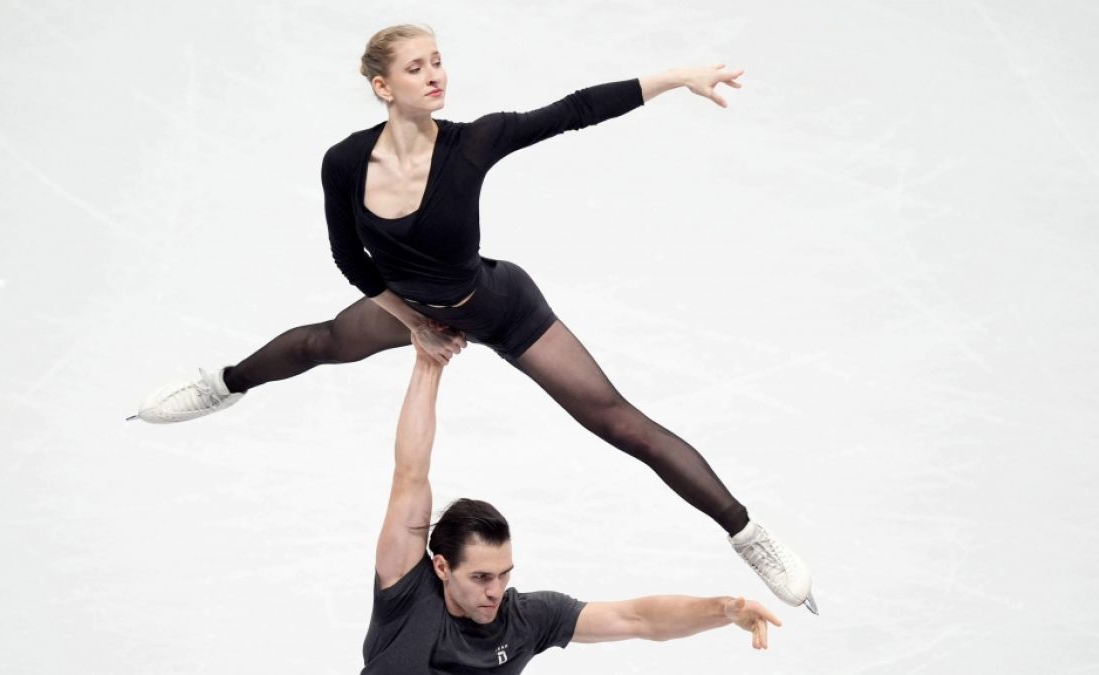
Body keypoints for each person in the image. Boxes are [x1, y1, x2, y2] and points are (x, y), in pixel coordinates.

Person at [131, 24, 816, 612]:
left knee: (615, 420)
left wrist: (675, 77)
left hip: (498, 305)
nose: (435, 75)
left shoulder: (472, 143)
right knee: (322, 341)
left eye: (437, 61)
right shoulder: (344, 162)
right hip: (409, 305)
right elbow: (350, 259)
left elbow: (574, 110)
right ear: (382, 85)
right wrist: (413, 323)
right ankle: (222, 384)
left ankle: (747, 533)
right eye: (416, 67)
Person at [362, 339, 784, 673]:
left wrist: (723, 610)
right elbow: (410, 474)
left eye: (504, 574)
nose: (495, 591)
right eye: (480, 577)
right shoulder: (406, 591)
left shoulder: (525, 620)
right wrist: (428, 363)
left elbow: (637, 618)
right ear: (441, 567)